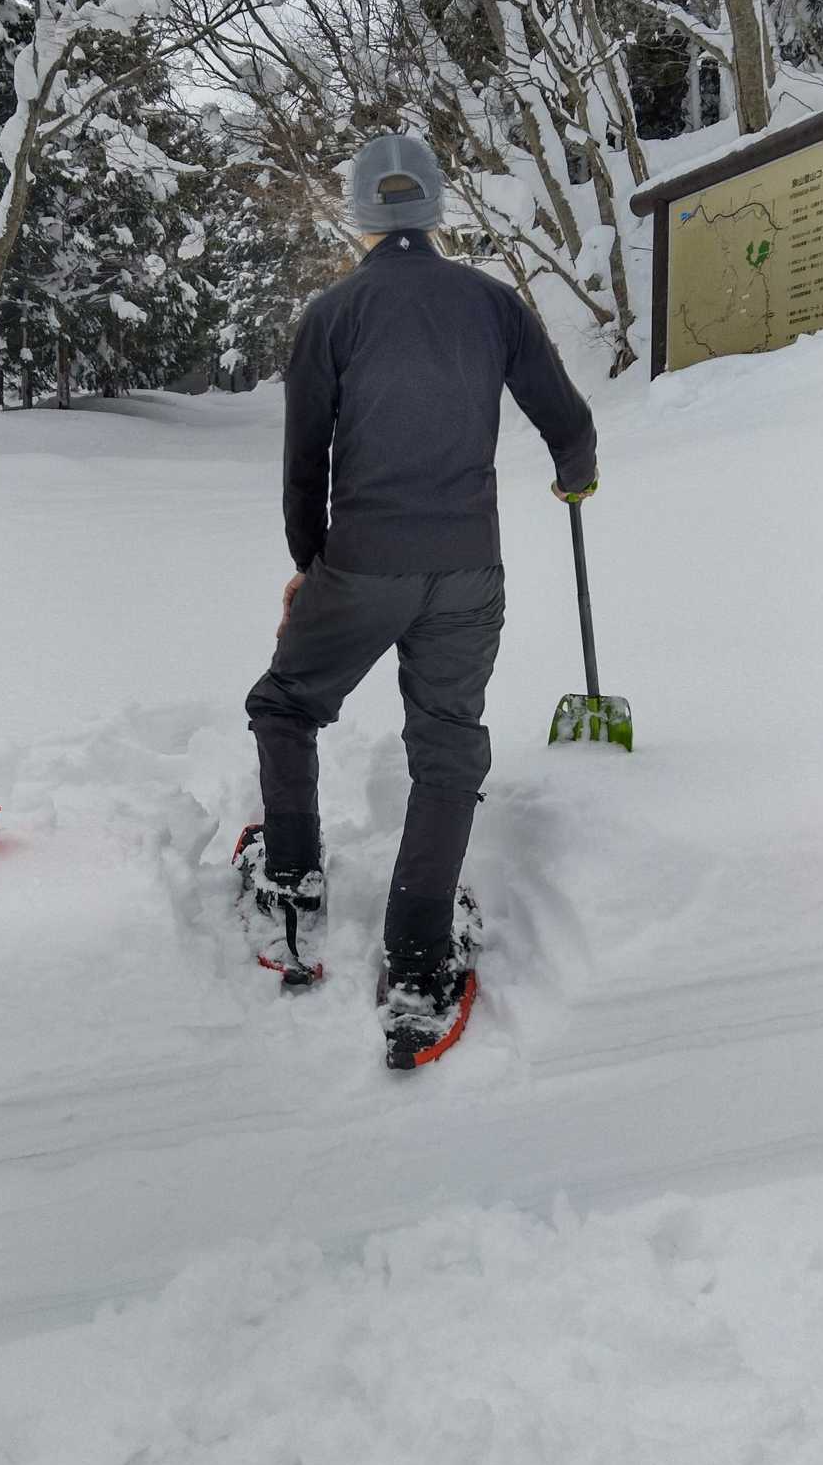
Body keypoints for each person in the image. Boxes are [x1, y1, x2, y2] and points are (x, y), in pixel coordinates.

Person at [242, 132, 598, 1004]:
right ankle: (418, 951)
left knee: (285, 704)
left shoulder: (333, 314)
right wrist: (575, 477)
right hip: (470, 568)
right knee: (446, 745)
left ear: (359, 213)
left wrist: (310, 567)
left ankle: (290, 879)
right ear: (435, 207)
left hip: (363, 565)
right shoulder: (495, 304)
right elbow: (569, 423)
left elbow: (305, 463)